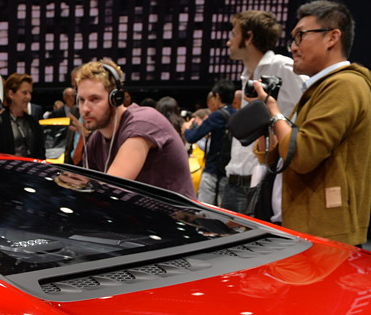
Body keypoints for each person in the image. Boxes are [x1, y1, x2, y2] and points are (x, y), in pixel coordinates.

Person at [251, 2, 371, 245]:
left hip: (324, 236)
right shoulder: (320, 88)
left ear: (332, 37)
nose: (293, 47)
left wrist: (274, 111)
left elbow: (302, 155)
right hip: (303, 228)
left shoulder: (345, 85)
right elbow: (276, 157)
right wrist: (266, 115)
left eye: (301, 36)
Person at [223, 9, 305, 215]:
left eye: (234, 34)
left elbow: (311, 105)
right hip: (234, 180)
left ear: (249, 37)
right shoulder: (246, 75)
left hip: (260, 182)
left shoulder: (284, 67)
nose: (229, 41)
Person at [76, 60, 195, 197]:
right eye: (81, 100)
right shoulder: (95, 140)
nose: (85, 109)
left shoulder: (142, 124)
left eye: (94, 99)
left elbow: (110, 191)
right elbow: (88, 193)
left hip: (174, 211)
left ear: (115, 99)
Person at [184, 80, 237, 205]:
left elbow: (192, 137)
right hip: (230, 170)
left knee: (204, 209)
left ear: (217, 96)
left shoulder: (216, 116)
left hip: (213, 170)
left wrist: (186, 129)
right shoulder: (238, 114)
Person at [0, 73, 44, 158]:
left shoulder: (33, 122)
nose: (29, 97)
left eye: (30, 93)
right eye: (24, 93)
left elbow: (41, 153)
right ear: (11, 94)